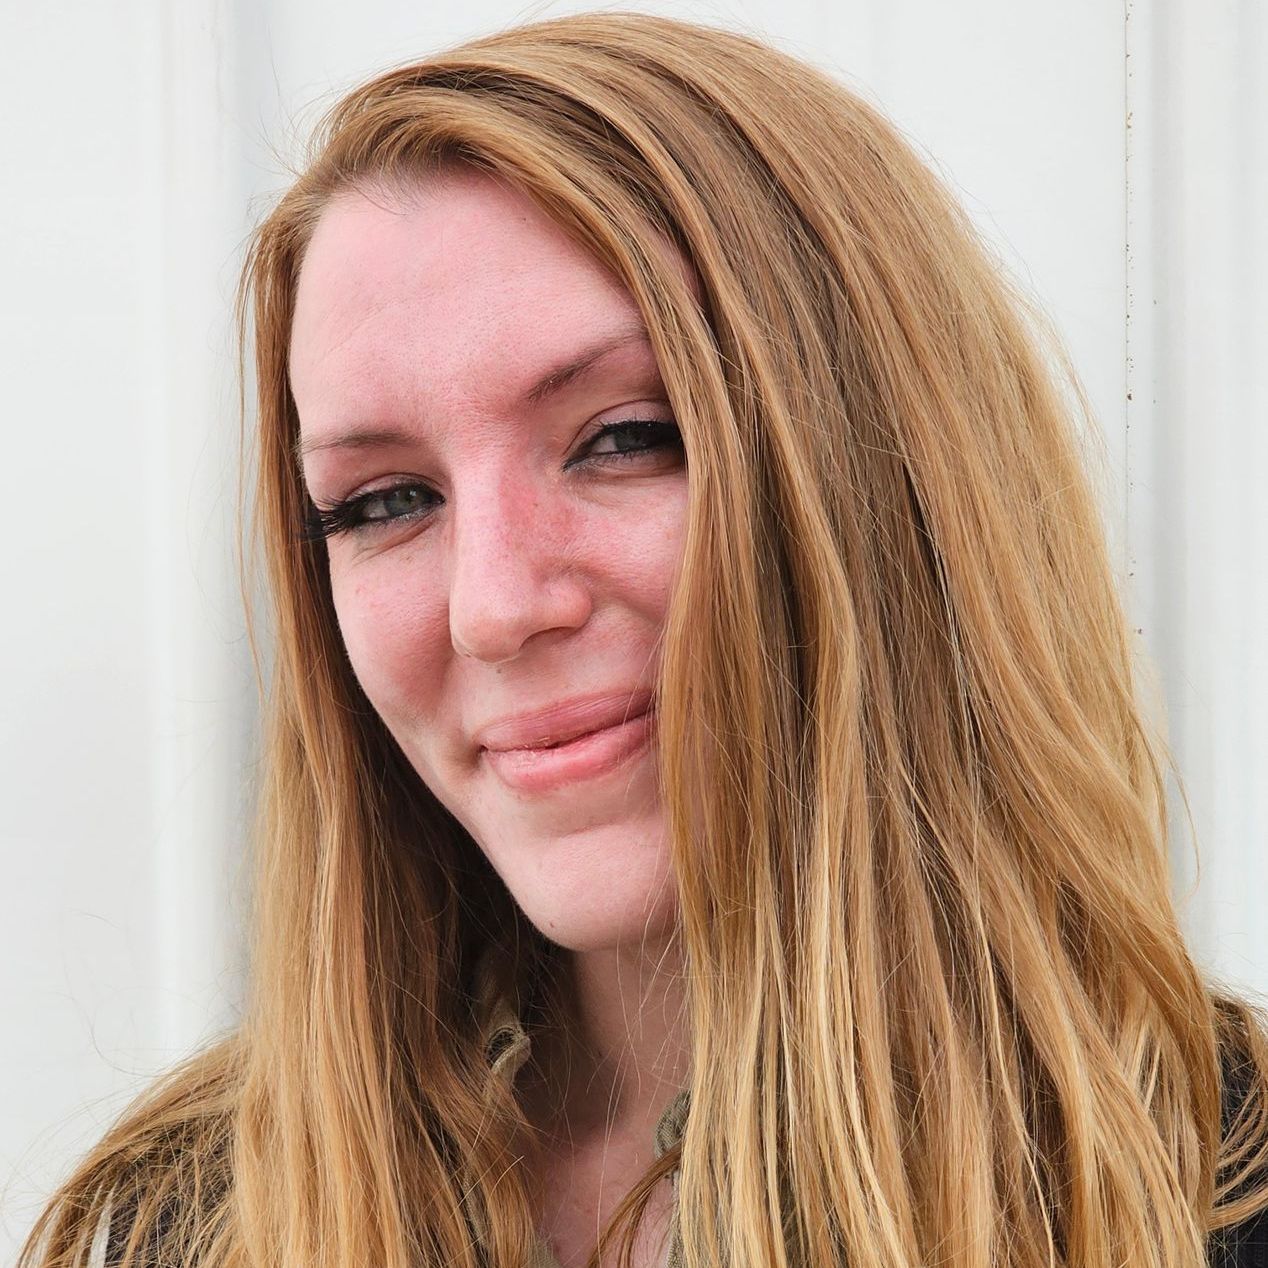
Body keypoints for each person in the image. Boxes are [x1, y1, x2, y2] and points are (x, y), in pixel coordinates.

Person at [19, 11, 1268, 1268]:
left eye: (622, 435)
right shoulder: (185, 1225)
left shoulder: (1218, 1192)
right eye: (384, 501)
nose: (492, 606)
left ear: (888, 476)